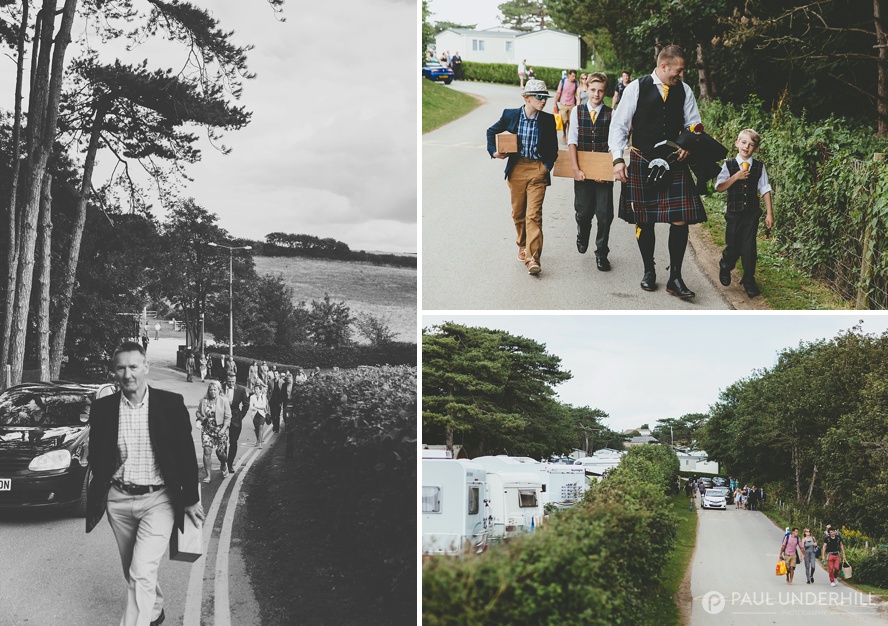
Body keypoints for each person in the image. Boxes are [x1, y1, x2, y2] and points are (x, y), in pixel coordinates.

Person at [86, 341, 203, 626]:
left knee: (140, 571)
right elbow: (98, 455)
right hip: (119, 500)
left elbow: (187, 454)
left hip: (158, 500)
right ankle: (155, 609)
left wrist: (190, 498)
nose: (128, 374)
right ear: (114, 372)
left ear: (146, 367)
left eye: (134, 366)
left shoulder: (171, 404)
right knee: (134, 570)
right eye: (121, 368)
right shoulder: (102, 409)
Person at [610, 45, 707, 298]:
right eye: (679, 70)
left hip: (674, 161)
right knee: (645, 219)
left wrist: (687, 142)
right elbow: (619, 126)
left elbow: (694, 124)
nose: (681, 75)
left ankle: (675, 277)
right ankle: (649, 270)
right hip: (642, 160)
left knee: (680, 218)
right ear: (664, 66)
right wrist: (618, 159)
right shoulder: (636, 88)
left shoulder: (684, 90)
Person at [486, 79, 559, 276]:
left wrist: (545, 168)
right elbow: (491, 131)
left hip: (537, 170)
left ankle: (533, 258)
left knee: (533, 215)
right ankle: (522, 243)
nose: (543, 101)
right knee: (518, 213)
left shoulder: (548, 120)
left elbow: (553, 149)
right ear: (527, 98)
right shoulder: (510, 115)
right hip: (516, 169)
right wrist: (494, 152)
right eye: (539, 97)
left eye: (545, 97)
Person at [715, 128, 775, 297]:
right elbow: (719, 187)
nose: (746, 147)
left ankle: (749, 281)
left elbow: (765, 189)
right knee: (733, 247)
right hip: (734, 214)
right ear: (737, 143)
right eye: (743, 142)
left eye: (751, 145)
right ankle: (725, 266)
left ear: (755, 149)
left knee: (749, 249)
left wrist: (769, 213)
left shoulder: (759, 167)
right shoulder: (729, 165)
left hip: (751, 214)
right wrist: (736, 177)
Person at [568, 72, 614, 271]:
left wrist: (606, 172)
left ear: (605, 92)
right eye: (593, 90)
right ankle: (582, 232)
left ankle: (601, 253)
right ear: (586, 88)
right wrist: (576, 170)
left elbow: (614, 145)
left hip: (603, 174)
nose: (596, 94)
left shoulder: (612, 114)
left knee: (605, 215)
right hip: (583, 173)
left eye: (601, 91)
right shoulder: (577, 112)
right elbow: (572, 142)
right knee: (583, 212)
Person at [196, 380, 232, 482]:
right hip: (207, 429)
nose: (212, 392)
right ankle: (208, 475)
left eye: (214, 389)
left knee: (220, 453)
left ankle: (223, 464)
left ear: (219, 390)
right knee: (207, 451)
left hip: (220, 429)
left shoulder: (224, 400)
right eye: (210, 390)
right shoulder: (204, 401)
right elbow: (198, 412)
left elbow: (228, 417)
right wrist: (202, 418)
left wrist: (224, 429)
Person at [221, 372, 250, 474]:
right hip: (222, 418)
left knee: (233, 442)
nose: (231, 383)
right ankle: (223, 463)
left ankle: (230, 464)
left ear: (235, 380)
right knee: (222, 442)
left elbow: (246, 405)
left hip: (235, 418)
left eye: (233, 381)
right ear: (226, 380)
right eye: (229, 381)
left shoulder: (241, 390)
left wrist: (241, 416)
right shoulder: (221, 387)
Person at [553, 69, 580, 144]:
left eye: (575, 76)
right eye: (572, 76)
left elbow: (579, 93)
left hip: (572, 104)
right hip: (563, 104)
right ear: (569, 75)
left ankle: (569, 137)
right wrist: (555, 103)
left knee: (571, 122)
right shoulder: (563, 81)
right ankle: (564, 133)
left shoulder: (576, 83)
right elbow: (558, 92)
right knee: (564, 121)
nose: (574, 78)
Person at [245, 382, 269, 448]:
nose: (256, 390)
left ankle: (260, 443)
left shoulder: (263, 396)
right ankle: (258, 440)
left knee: (260, 427)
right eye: (255, 389)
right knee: (256, 429)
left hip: (262, 414)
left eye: (257, 389)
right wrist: (258, 406)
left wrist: (255, 405)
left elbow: (263, 406)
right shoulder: (252, 397)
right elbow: (251, 407)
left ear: (260, 390)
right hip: (255, 415)